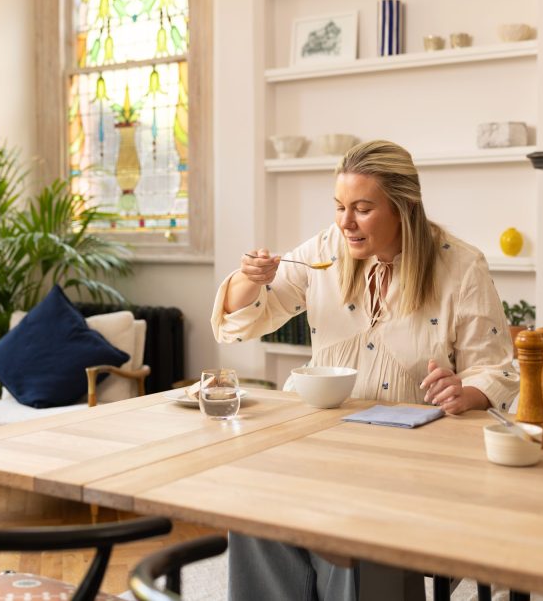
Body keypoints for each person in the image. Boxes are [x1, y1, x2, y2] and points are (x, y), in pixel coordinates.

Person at [210, 139, 520, 601]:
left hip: (411, 461)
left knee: (350, 534)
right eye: (339, 207)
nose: (345, 222)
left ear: (403, 207)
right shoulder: (325, 249)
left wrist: (465, 393)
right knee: (257, 508)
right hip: (318, 440)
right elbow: (245, 321)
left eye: (362, 208)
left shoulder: (460, 265)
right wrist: (247, 279)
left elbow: (493, 369)